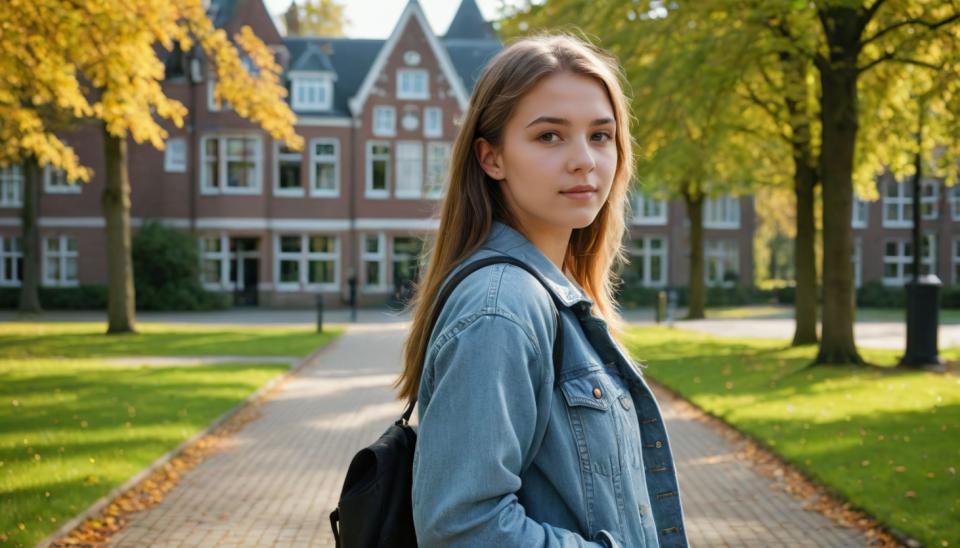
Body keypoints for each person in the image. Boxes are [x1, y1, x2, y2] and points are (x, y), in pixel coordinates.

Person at [395, 34, 688, 547]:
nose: (585, 161)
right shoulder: (502, 308)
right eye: (550, 136)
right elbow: (464, 529)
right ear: (491, 158)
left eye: (601, 136)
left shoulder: (550, 293)